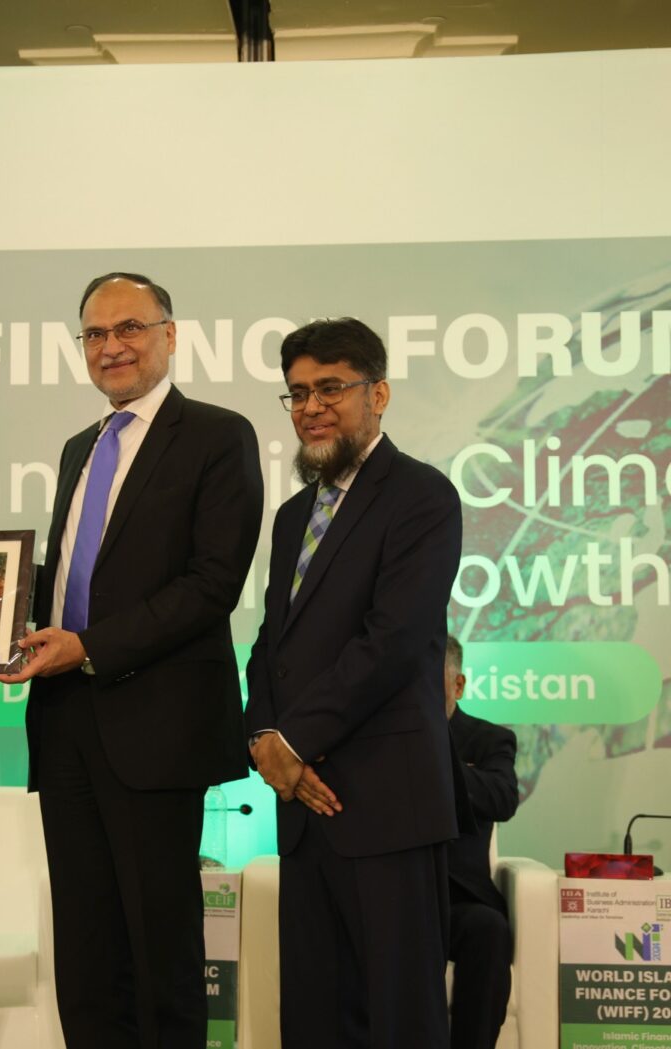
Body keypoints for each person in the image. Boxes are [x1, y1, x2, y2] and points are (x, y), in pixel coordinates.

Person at [0, 273, 263, 1049]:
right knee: (85, 952)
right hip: (65, 723)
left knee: (160, 953)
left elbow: (212, 582)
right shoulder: (80, 448)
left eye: (129, 328)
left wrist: (91, 647)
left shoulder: (218, 435)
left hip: (156, 728)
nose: (111, 346)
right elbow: (77, 579)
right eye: (95, 334)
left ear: (169, 336)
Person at [244, 317, 463, 1048]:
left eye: (331, 388)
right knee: (312, 1019)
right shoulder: (291, 516)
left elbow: (392, 641)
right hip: (303, 813)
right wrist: (263, 737)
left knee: (401, 1020)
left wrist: (293, 742)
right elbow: (271, 644)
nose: (311, 407)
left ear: (379, 394)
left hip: (387, 803)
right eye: (298, 392)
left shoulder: (422, 495)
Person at [445, 635, 518, 1049]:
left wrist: (437, 756)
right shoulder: (380, 738)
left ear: (458, 685)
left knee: (489, 930)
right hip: (396, 894)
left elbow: (502, 799)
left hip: (459, 898)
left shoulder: (489, 739)